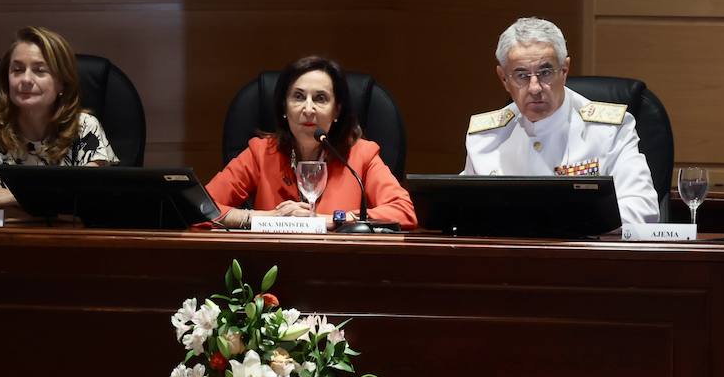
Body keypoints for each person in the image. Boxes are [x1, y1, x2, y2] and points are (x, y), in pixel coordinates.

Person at [462, 17, 659, 224]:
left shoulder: (609, 130)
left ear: (564, 71)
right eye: (521, 75)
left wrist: (559, 221)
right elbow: (462, 210)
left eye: (545, 73)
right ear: (504, 79)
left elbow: (643, 208)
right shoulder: (485, 137)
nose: (535, 87)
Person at [208, 56, 417, 230]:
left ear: (337, 110)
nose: (308, 109)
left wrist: (335, 219)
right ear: (284, 107)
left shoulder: (361, 155)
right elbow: (199, 209)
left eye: (320, 98)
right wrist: (263, 218)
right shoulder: (260, 153)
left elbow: (403, 211)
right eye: (298, 97)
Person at [0, 26, 118, 209]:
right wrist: (52, 202)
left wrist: (13, 197)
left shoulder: (85, 127)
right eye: (17, 70)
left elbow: (88, 200)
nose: (26, 79)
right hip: (1, 236)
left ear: (62, 82)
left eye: (39, 70)